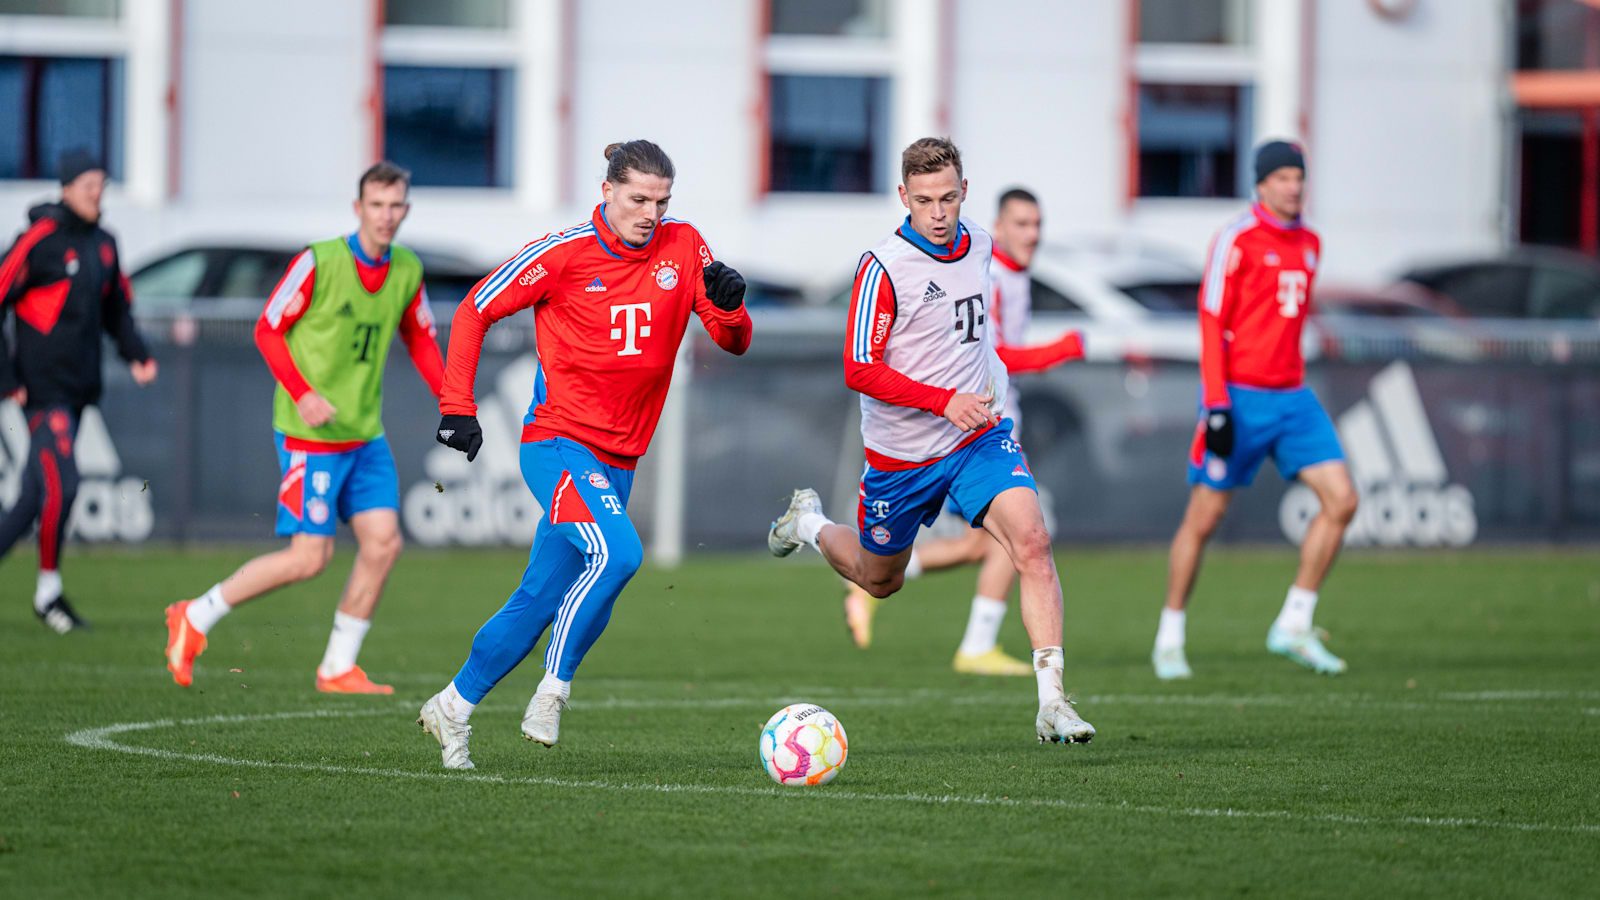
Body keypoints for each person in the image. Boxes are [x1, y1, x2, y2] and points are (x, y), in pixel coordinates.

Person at [418, 140, 752, 770]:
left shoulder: (684, 245)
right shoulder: (564, 253)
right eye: (638, 198)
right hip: (559, 443)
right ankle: (552, 692)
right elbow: (473, 311)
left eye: (661, 200)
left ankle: (454, 706)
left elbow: (730, 339)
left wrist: (732, 308)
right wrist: (457, 406)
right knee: (619, 554)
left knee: (541, 597)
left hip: (620, 460)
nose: (650, 212)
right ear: (606, 192)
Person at [769, 137, 1094, 745]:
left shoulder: (982, 244)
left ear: (965, 193)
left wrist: (982, 388)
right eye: (924, 201)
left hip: (978, 438)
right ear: (903, 198)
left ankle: (1052, 701)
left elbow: (973, 337)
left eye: (948, 198)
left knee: (1033, 538)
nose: (938, 213)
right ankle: (809, 524)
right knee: (879, 578)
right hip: (902, 456)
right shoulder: (883, 268)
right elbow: (858, 368)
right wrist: (944, 399)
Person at [164, 162, 444, 693]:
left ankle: (338, 665)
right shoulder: (319, 261)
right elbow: (269, 329)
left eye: (395, 206)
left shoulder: (407, 269)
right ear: (357, 208)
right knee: (307, 558)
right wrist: (304, 393)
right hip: (308, 436)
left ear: (405, 210)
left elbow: (422, 338)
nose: (386, 216)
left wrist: (454, 401)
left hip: (365, 435)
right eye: (377, 205)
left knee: (383, 544)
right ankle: (194, 616)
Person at [840, 187, 1085, 676]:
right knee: (980, 548)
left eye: (1037, 225)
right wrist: (1055, 352)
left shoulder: (985, 254)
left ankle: (996, 655)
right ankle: (963, 636)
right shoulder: (976, 269)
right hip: (930, 435)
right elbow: (864, 364)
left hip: (984, 430)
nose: (1029, 235)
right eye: (1019, 224)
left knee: (1024, 538)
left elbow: (985, 352)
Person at [1151, 140, 1359, 681]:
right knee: (1205, 519)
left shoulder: (1311, 242)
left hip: (1293, 396)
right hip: (1239, 398)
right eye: (1284, 177)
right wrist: (1216, 403)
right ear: (1262, 183)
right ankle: (1169, 636)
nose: (1294, 186)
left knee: (1342, 500)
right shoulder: (1236, 238)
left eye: (1299, 177)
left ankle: (1294, 623)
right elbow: (1211, 319)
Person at [0, 149, 157, 633]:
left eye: (101, 185)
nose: (96, 194)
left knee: (31, 499)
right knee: (64, 486)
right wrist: (8, 381)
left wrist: (137, 353)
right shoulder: (40, 241)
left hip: (79, 389)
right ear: (66, 188)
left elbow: (118, 311)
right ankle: (49, 594)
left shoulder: (105, 244)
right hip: (43, 394)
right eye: (88, 185)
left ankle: (49, 591)